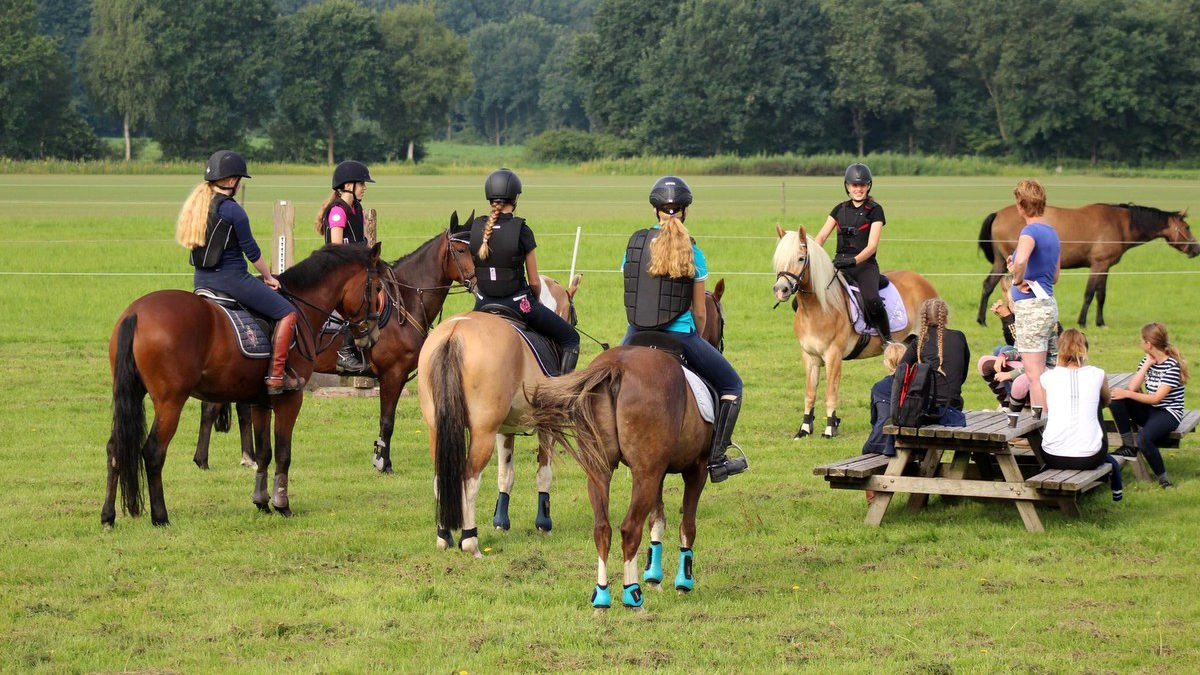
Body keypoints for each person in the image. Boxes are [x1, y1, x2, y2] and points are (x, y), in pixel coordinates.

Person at [622, 176, 747, 483]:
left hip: (635, 334)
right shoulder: (695, 253)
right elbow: (700, 312)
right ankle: (717, 459)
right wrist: (697, 332)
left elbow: (634, 291)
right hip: (679, 336)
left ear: (656, 212)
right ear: (685, 212)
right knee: (732, 386)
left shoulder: (635, 244)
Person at [176, 150, 302, 395]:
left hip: (201, 280)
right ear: (233, 181)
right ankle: (276, 376)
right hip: (232, 280)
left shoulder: (198, 207)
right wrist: (268, 277)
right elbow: (252, 252)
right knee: (288, 313)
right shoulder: (234, 211)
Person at [468, 168, 580, 375]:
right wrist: (534, 301)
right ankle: (561, 392)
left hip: (482, 302)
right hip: (518, 304)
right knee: (571, 339)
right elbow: (535, 281)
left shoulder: (476, 228)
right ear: (515, 198)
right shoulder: (522, 231)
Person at [1040, 329, 1123, 501]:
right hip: (1090, 458)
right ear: (1085, 349)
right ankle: (1108, 463)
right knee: (1097, 406)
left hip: (1052, 455)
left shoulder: (1048, 377)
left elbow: (1046, 408)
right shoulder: (1097, 374)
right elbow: (1107, 401)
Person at [815, 163, 892, 342]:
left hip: (864, 265)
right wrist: (817, 258)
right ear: (847, 187)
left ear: (868, 186)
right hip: (839, 265)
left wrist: (854, 261)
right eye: (854, 185)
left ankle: (887, 340)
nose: (858, 189)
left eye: (862, 185)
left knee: (872, 299)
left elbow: (872, 245)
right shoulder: (838, 209)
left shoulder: (875, 211)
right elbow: (821, 237)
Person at [1109, 322, 1188, 488]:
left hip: (1168, 413)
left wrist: (1128, 394)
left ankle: (1164, 480)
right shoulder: (1147, 360)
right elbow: (1132, 387)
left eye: (1141, 340)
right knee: (1116, 398)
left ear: (1148, 344)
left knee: (1144, 439)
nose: (1140, 343)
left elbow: (1156, 399)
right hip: (1151, 410)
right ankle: (1128, 446)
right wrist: (1146, 364)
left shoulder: (1172, 366)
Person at [315, 160, 375, 373]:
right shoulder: (338, 212)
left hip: (355, 270)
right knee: (356, 302)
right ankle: (345, 352)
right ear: (348, 185)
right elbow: (337, 249)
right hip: (337, 272)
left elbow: (364, 242)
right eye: (362, 184)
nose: (364, 188)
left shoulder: (357, 209)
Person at [1008, 179, 1061, 417]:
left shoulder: (1028, 232)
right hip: (1049, 304)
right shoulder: (1052, 232)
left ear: (1021, 205)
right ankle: (1054, 421)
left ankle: (1042, 431)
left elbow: (1021, 261)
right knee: (1048, 370)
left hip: (1031, 309)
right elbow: (1056, 275)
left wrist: (1017, 279)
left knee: (1034, 374)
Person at [898, 298, 970, 427]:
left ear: (923, 319)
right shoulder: (959, 337)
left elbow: (901, 371)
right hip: (953, 405)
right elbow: (962, 374)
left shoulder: (919, 342)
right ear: (945, 317)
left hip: (926, 408)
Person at [863, 342, 908, 457]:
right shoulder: (914, 386)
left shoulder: (878, 387)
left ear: (886, 362)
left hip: (879, 443)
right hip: (908, 441)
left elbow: (874, 420)